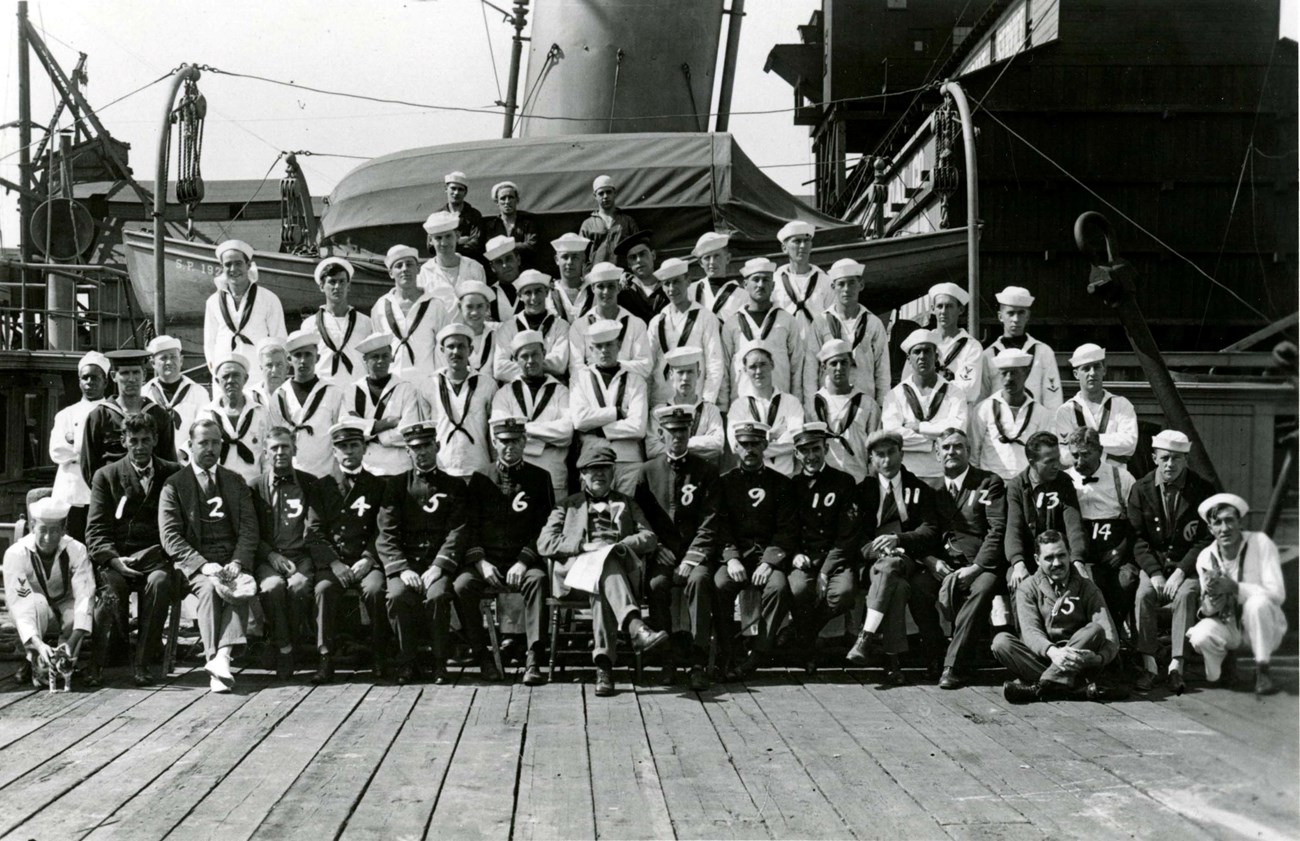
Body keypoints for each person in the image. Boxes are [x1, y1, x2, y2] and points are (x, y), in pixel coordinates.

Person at [537, 441, 665, 697]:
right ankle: (634, 625)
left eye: (604, 469)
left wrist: (620, 545)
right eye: (592, 469)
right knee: (602, 567)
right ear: (582, 475)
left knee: (604, 572)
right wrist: (583, 547)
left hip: (609, 578)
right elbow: (545, 542)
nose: (599, 474)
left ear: (613, 473)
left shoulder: (627, 503)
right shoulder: (567, 505)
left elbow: (649, 537)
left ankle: (604, 668)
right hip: (575, 579)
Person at [159, 418, 258, 693]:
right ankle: (216, 658)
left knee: (240, 587)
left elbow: (250, 528)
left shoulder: (235, 481)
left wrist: (238, 561)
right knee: (212, 590)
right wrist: (203, 566)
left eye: (215, 442)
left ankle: (220, 660)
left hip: (231, 558)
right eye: (203, 442)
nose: (210, 448)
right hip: (196, 564)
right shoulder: (174, 484)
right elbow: (169, 536)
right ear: (190, 445)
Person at [85, 412, 180, 686]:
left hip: (155, 558)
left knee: (161, 583)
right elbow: (96, 530)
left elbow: (179, 524)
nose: (140, 447)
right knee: (112, 591)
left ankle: (143, 662)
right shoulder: (106, 476)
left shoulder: (172, 473)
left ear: (155, 441)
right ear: (124, 442)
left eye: (146, 440)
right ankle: (98, 664)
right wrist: (113, 560)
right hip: (118, 557)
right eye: (134, 440)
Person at [460, 417, 556, 684]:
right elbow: (470, 526)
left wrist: (524, 561)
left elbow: (545, 527)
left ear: (525, 441)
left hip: (521, 559)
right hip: (488, 561)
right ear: (494, 442)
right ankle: (483, 657)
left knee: (537, 580)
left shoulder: (539, 478)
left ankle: (534, 658)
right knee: (462, 585)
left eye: (515, 440)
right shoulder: (481, 478)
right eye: (504, 441)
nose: (509, 446)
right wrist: (480, 562)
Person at [375, 420, 473, 685]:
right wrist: (402, 569)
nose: (422, 452)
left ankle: (440, 662)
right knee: (396, 596)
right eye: (415, 447)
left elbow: (458, 530)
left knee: (438, 596)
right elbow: (386, 533)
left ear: (437, 446)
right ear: (407, 451)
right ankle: (407, 662)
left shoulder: (454, 486)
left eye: (427, 445)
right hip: (406, 564)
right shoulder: (396, 486)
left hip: (437, 563)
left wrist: (439, 566)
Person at [847, 429, 945, 683]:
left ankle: (866, 637)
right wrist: (876, 550)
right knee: (897, 586)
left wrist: (899, 540)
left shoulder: (919, 489)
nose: (887, 460)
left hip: (909, 559)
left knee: (893, 568)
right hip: (875, 564)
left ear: (902, 453)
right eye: (880, 455)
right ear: (871, 459)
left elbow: (930, 529)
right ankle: (892, 661)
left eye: (892, 453)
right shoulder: (862, 492)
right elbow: (854, 536)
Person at [635, 405, 720, 690]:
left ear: (690, 432)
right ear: (661, 433)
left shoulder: (705, 471)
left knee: (699, 582)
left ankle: (697, 662)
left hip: (695, 555)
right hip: (664, 552)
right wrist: (655, 545)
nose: (678, 437)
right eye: (671, 432)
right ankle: (667, 659)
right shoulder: (647, 472)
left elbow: (710, 520)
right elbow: (639, 516)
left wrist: (692, 558)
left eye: (683, 431)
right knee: (658, 584)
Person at [703, 421, 797, 678]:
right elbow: (719, 526)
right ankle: (729, 651)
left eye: (756, 444)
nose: (750, 450)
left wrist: (769, 562)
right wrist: (731, 558)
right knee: (721, 584)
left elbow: (786, 529)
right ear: (735, 447)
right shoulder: (724, 483)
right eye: (744, 444)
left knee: (778, 588)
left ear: (766, 445)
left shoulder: (781, 484)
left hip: (766, 557)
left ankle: (757, 653)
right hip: (737, 558)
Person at [1129, 429, 1215, 694]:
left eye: (1177, 459)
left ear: (1186, 460)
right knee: (1144, 594)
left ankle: (1176, 665)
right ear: (1154, 458)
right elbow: (1136, 538)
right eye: (1165, 458)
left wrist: (1181, 571)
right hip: (1153, 563)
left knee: (1188, 594)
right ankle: (1150, 664)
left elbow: (1204, 538)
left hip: (1185, 564)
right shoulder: (1140, 489)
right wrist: (1154, 573)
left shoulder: (1201, 489)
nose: (1170, 464)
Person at [304, 419, 389, 683]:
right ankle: (325, 659)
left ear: (364, 449)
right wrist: (334, 563)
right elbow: (313, 532)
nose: (349, 452)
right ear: (335, 451)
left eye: (354, 446)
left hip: (366, 561)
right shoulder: (322, 486)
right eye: (343, 447)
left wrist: (368, 559)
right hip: (335, 562)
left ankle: (380, 656)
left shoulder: (378, 486)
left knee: (375, 591)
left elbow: (383, 530)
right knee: (323, 590)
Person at [994, 530, 1123, 703]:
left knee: (1095, 629)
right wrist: (1053, 652)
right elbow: (1030, 632)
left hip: (1078, 657)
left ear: (1069, 554)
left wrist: (1098, 659)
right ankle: (1070, 689)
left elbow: (1109, 633)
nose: (1057, 563)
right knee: (1001, 642)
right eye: (1049, 558)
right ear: (1037, 560)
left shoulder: (1087, 587)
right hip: (1045, 657)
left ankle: (1040, 688)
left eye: (1062, 555)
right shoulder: (1027, 588)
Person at [1187, 493, 1287, 696]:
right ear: (1211, 529)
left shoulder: (1260, 544)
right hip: (1229, 623)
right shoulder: (1206, 556)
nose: (1225, 528)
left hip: (1265, 625)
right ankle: (1223, 667)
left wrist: (1235, 588)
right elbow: (1207, 607)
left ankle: (1262, 670)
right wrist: (1210, 602)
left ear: (1239, 522)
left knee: (1256, 604)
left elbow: (1277, 593)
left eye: (1230, 520)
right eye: (1218, 522)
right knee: (1200, 635)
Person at [932, 428, 1009, 689]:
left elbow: (997, 529)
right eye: (946, 447)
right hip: (944, 566)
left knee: (982, 589)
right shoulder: (931, 489)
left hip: (982, 565)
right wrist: (930, 561)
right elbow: (924, 530)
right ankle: (929, 656)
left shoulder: (988, 483)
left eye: (958, 447)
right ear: (936, 453)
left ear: (968, 451)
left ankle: (952, 666)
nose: (951, 452)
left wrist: (976, 568)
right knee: (919, 586)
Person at [787, 422, 860, 673]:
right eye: (804, 450)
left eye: (816, 449)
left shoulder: (843, 482)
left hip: (835, 559)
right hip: (803, 558)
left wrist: (826, 571)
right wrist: (795, 554)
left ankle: (802, 636)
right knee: (797, 590)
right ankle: (807, 647)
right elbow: (786, 529)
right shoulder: (789, 486)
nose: (811, 456)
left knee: (844, 593)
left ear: (826, 448)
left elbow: (847, 535)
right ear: (796, 454)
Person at [3, 498, 95, 687]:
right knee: (36, 602)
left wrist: (72, 640)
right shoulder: (16, 554)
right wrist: (37, 643)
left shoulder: (77, 550)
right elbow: (20, 604)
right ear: (32, 527)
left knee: (75, 614)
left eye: (54, 531)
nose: (48, 537)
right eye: (43, 530)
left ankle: (64, 662)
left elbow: (85, 595)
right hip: (34, 609)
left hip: (63, 604)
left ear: (63, 530)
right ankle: (34, 660)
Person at [250, 427, 317, 680]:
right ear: (265, 453)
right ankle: (286, 648)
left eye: (285, 446)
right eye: (274, 448)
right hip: (270, 557)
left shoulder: (310, 483)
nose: (280, 452)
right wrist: (270, 555)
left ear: (294, 450)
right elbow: (251, 531)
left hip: (301, 555)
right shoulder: (255, 487)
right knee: (271, 587)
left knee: (299, 587)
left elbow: (316, 525)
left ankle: (287, 644)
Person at [1065, 427, 1138, 635]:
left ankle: (1114, 632)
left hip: (1115, 551)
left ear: (1100, 451)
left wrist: (1122, 550)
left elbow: (1136, 522)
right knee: (1087, 588)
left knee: (1127, 581)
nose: (1079, 462)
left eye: (1085, 454)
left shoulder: (1121, 478)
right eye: (1075, 455)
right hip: (1083, 553)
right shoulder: (1065, 479)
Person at [490, 330, 574, 498]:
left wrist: (519, 430)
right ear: (515, 360)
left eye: (535, 354)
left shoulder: (561, 391)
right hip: (517, 477)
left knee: (553, 521)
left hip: (553, 474)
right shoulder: (504, 393)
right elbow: (498, 432)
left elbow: (566, 433)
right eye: (524, 356)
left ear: (544, 354)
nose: (530, 361)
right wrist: (547, 440)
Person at [1004, 431, 1088, 597]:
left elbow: (1074, 525)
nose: (1057, 465)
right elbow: (1013, 529)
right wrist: (1018, 563)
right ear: (1032, 462)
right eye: (1049, 461)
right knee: (1019, 584)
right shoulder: (1016, 487)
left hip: (1059, 558)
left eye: (1058, 459)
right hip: (1028, 559)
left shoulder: (1064, 482)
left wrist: (1077, 560)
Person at [571, 319, 649, 495]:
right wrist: (617, 413)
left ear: (619, 345)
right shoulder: (580, 378)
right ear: (591, 350)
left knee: (625, 515)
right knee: (595, 515)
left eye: (609, 345)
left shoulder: (635, 380)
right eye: (598, 346)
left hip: (628, 461)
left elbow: (638, 428)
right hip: (592, 459)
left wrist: (596, 429)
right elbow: (579, 420)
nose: (604, 350)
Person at [882, 329, 968, 485]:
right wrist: (934, 441)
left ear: (936, 356)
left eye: (927, 351)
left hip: (944, 476)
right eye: (917, 352)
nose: (922, 356)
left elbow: (958, 429)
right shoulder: (895, 395)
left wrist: (919, 428)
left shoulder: (954, 392)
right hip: (907, 474)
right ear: (909, 358)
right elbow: (892, 435)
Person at [722, 258, 809, 409]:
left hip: (781, 405)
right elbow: (724, 368)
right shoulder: (732, 323)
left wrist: (796, 403)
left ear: (773, 285)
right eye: (756, 280)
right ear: (745, 285)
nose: (761, 285)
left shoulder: (787, 320)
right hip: (742, 406)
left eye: (766, 280)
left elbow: (797, 365)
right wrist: (723, 407)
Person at [81, 349, 177, 487]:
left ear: (144, 374)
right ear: (114, 376)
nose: (131, 379)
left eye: (136, 372)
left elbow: (169, 462)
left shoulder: (159, 415)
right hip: (113, 495)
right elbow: (89, 467)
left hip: (152, 497)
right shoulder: (99, 416)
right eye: (125, 373)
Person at [806, 259, 890, 408]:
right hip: (828, 405)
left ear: (861, 285)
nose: (846, 289)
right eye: (841, 284)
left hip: (864, 405)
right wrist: (812, 406)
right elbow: (811, 369)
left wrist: (882, 406)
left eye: (852, 283)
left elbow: (882, 371)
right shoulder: (821, 323)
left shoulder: (873, 323)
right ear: (833, 287)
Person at [202, 239, 287, 388]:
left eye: (238, 263)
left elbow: (279, 339)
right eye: (228, 264)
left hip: (257, 373)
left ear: (248, 266)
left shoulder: (268, 299)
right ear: (222, 268)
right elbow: (209, 342)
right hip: (226, 373)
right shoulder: (213, 302)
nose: (233, 269)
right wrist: (216, 370)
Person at [370, 244, 453, 394]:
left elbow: (443, 349)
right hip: (393, 386)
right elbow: (378, 349)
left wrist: (442, 384)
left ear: (418, 269)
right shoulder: (380, 307)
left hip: (428, 384)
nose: (404, 269)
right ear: (390, 273)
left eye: (409, 264)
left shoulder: (435, 305)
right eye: (398, 266)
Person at [344, 333, 428, 477]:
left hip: (399, 467)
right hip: (365, 466)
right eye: (375, 357)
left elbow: (409, 431)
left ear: (392, 357)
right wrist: (385, 424)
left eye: (385, 356)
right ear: (365, 359)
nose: (381, 361)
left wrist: (365, 430)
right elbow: (348, 429)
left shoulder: (406, 388)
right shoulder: (353, 390)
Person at [646, 257, 724, 406]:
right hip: (661, 398)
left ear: (688, 281)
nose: (671, 289)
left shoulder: (705, 317)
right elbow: (648, 365)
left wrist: (707, 402)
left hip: (694, 398)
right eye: (667, 283)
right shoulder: (656, 322)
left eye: (676, 282)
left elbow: (714, 364)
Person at [270, 328, 346, 478]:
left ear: (317, 358)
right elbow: (275, 437)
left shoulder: (333, 392)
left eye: (308, 355)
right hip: (291, 476)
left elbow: (339, 436)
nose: (303, 360)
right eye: (297, 355)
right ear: (289, 360)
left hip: (324, 475)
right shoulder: (279, 395)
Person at [49, 350, 109, 541]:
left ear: (105, 382)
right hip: (71, 490)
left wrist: (75, 448)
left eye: (95, 378)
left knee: (99, 541)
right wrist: (89, 450)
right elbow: (57, 452)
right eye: (85, 378)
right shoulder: (65, 415)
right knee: (71, 542)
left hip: (101, 489)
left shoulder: (112, 412)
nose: (89, 382)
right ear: (79, 381)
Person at [969, 348, 1054, 480]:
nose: (1009, 379)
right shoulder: (983, 409)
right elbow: (974, 453)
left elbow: (1044, 456)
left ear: (1025, 373)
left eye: (1014, 373)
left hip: (1025, 484)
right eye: (1004, 373)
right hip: (991, 484)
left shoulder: (1041, 413)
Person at [977, 286, 1062, 410]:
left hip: (1035, 424)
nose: (1016, 319)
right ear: (1000, 316)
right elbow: (981, 399)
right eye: (1010, 313)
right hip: (998, 424)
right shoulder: (988, 355)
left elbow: (1053, 399)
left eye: (1021, 313)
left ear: (1028, 316)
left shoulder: (1043, 352)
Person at [727, 341, 805, 476]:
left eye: (763, 364)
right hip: (751, 478)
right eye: (752, 366)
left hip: (785, 477)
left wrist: (754, 443)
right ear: (745, 370)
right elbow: (736, 447)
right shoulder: (738, 407)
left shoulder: (791, 402)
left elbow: (796, 440)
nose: (758, 371)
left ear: (772, 365)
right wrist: (773, 436)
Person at [430, 323, 497, 479]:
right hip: (443, 469)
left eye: (461, 346)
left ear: (470, 350)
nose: (456, 352)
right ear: (442, 350)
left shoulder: (487, 384)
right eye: (450, 346)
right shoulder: (429, 385)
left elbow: (493, 433)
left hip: (479, 469)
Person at [1055, 343, 1138, 466]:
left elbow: (1129, 444)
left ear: (1104, 370)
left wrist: (1086, 441)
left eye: (1097, 367)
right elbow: (1065, 455)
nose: (1092, 373)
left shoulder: (1122, 405)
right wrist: (1109, 443)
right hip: (1080, 480)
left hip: (1115, 476)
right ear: (1076, 374)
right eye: (1086, 368)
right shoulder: (1066, 410)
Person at [810, 338, 880, 483]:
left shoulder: (867, 404)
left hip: (857, 479)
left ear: (851, 365)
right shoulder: (813, 404)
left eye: (844, 362)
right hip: (823, 482)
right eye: (833, 363)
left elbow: (875, 447)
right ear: (823, 367)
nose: (839, 368)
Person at [568, 262, 652, 381]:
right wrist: (623, 365)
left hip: (628, 392)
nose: (606, 292)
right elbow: (576, 369)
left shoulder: (636, 324)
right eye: (600, 286)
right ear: (592, 288)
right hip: (593, 392)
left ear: (618, 288)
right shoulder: (579, 326)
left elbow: (645, 366)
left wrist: (609, 365)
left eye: (611, 286)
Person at [903, 282, 983, 406]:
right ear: (933, 309)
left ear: (960, 309)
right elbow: (907, 384)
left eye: (949, 306)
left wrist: (926, 383)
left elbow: (969, 391)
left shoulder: (971, 347)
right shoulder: (920, 342)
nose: (943, 311)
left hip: (956, 415)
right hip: (923, 413)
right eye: (939, 306)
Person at [645, 347, 725, 465]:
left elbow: (717, 444)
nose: (685, 378)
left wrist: (676, 443)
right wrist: (701, 445)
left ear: (698, 374)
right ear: (671, 374)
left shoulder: (711, 410)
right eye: (680, 372)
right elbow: (652, 449)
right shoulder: (659, 412)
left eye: (690, 372)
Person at [492, 269, 571, 383]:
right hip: (517, 389)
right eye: (528, 293)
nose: (534, 298)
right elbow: (499, 368)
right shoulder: (508, 328)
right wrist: (537, 367)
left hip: (551, 389)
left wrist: (522, 364)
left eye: (538, 291)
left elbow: (558, 365)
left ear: (547, 292)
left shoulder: (561, 326)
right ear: (519, 296)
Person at [204, 351, 270, 484]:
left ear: (245, 378)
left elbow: (267, 457)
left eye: (236, 375)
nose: (230, 381)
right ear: (217, 381)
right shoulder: (206, 415)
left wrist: (265, 487)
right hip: (219, 489)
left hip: (253, 487)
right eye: (225, 376)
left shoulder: (260, 413)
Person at [143, 335, 209, 462]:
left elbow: (203, 429)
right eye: (163, 358)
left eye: (173, 357)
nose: (169, 362)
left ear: (181, 360)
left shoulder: (199, 392)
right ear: (153, 363)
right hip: (153, 463)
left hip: (187, 462)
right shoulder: (145, 393)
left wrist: (182, 453)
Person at [310, 257, 373, 388]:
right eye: (332, 282)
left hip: (357, 390)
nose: (337, 287)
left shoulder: (365, 322)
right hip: (324, 392)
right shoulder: (310, 324)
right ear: (322, 286)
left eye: (342, 282)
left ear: (348, 286)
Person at [772, 219, 833, 328]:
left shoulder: (825, 281)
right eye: (797, 241)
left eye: (806, 241)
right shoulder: (775, 281)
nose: (803, 245)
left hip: (816, 343)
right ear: (784, 248)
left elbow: (833, 318)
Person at [418, 210, 488, 298]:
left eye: (448, 236)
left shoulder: (474, 268)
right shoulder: (426, 272)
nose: (444, 243)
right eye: (438, 238)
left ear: (457, 236)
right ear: (430, 240)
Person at [579, 174, 639, 265]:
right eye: (601, 193)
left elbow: (637, 249)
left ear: (614, 193)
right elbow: (581, 255)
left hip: (622, 275)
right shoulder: (588, 225)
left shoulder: (627, 221)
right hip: (596, 275)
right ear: (595, 196)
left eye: (608, 192)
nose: (605, 196)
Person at [688, 232, 748, 324]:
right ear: (700, 263)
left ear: (727, 258)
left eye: (717, 256)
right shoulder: (691, 292)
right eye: (707, 257)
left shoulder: (742, 295)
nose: (712, 262)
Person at [481, 180, 539, 270]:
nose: (507, 202)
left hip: (525, 270)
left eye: (510, 197)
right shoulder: (491, 226)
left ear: (517, 200)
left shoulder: (528, 223)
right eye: (503, 198)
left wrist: (504, 246)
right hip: (501, 272)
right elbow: (490, 250)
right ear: (497, 202)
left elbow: (531, 246)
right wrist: (518, 245)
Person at [614, 229, 668, 322]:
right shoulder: (624, 292)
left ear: (653, 255)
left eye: (642, 254)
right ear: (628, 264)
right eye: (633, 257)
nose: (638, 260)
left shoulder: (668, 285)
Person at [453, 280, 501, 376]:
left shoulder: (497, 334)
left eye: (479, 306)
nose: (474, 312)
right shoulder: (452, 337)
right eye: (469, 307)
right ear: (460, 307)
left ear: (487, 307)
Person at [547, 232, 595, 321]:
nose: (569, 262)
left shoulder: (592, 291)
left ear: (583, 259)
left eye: (575, 257)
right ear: (557, 260)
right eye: (565, 257)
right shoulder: (549, 292)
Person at [439, 170, 485, 260]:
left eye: (460, 189)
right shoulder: (438, 216)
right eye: (453, 188)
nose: (456, 193)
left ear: (465, 192)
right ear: (445, 189)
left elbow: (476, 244)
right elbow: (431, 246)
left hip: (469, 262)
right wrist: (458, 241)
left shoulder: (474, 215)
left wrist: (447, 244)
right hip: (445, 263)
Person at [481, 235, 522, 320]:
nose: (505, 265)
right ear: (492, 267)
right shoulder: (489, 295)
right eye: (499, 262)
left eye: (509, 259)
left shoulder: (534, 286)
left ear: (518, 260)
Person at [250, 338, 291, 409]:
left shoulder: (294, 396)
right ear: (261, 368)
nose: (274, 370)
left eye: (279, 365)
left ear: (287, 368)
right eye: (269, 365)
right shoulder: (249, 397)